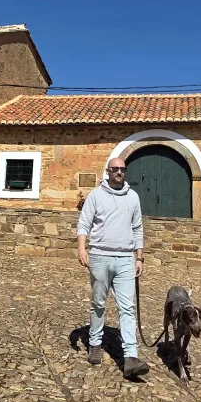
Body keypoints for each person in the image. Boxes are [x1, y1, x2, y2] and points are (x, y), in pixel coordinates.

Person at [76, 156, 149, 379]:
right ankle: (95, 344)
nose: (119, 172)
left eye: (122, 169)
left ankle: (130, 357)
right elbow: (84, 223)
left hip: (126, 258)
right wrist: (81, 248)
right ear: (107, 171)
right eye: (115, 169)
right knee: (98, 302)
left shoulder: (133, 197)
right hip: (100, 255)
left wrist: (139, 257)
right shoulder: (96, 196)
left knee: (127, 306)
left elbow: (137, 227)